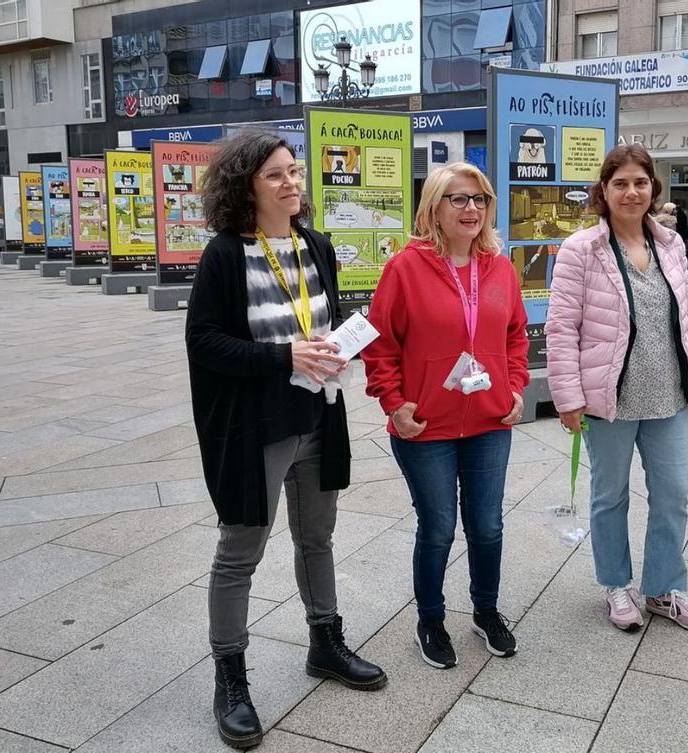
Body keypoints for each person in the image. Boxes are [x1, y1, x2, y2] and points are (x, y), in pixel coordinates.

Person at [186, 131, 386, 749]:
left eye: (294, 171)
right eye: (275, 175)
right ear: (246, 185)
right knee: (240, 549)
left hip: (319, 415)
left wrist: (334, 349)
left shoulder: (314, 244)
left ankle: (325, 642)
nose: (292, 183)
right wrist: (285, 355)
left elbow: (319, 319)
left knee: (317, 536)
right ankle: (231, 677)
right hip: (258, 427)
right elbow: (204, 342)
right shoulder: (225, 254)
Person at [362, 162, 529, 670]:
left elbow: (515, 337)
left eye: (479, 198)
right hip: (424, 426)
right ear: (433, 206)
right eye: (457, 198)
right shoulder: (405, 268)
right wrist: (394, 402)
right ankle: (430, 620)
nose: (471, 208)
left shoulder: (500, 266)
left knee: (488, 526)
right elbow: (380, 344)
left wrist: (516, 387)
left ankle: (486, 611)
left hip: (488, 420)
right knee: (437, 527)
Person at [546, 144, 688, 634]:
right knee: (610, 495)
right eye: (620, 183)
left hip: (667, 393)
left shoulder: (670, 245)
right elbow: (561, 328)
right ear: (604, 191)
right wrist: (569, 397)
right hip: (609, 398)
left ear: (653, 189)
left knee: (673, 494)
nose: (631, 192)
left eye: (640, 182)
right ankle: (616, 585)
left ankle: (663, 588)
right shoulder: (583, 248)